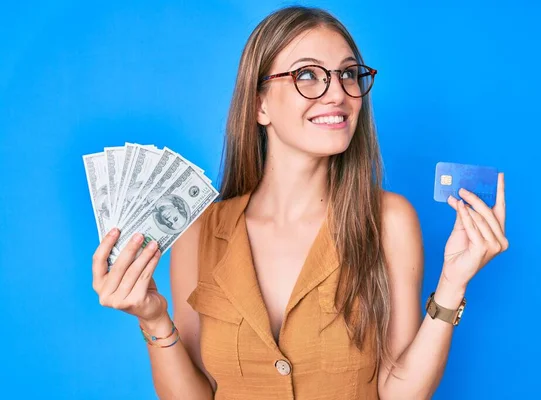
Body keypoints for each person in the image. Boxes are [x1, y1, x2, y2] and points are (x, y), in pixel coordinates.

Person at [91, 6, 508, 399]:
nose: (338, 93)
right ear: (259, 104)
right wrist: (153, 319)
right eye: (307, 74)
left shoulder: (390, 220)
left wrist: (452, 285)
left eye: (348, 74)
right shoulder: (199, 231)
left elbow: (398, 391)